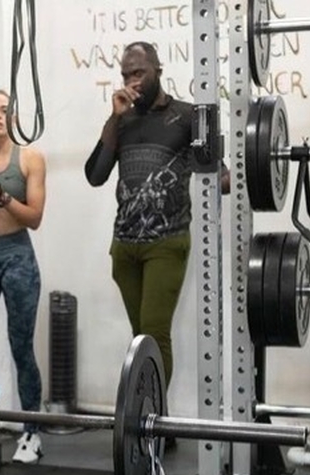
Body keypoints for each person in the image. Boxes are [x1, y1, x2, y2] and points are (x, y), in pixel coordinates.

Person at [84, 42, 230, 441]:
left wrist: (201, 172)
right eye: (126, 73)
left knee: (154, 332)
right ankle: (154, 421)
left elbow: (224, 176)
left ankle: (153, 424)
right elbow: (95, 175)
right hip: (125, 246)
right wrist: (113, 119)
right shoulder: (123, 121)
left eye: (139, 73)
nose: (132, 80)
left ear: (158, 69)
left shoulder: (184, 116)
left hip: (167, 243)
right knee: (140, 339)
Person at [0, 90, 47, 464]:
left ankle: (31, 433)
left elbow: (35, 217)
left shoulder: (30, 158)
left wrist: (1, 196)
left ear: (15, 116)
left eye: (4, 111)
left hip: (18, 256)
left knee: (21, 347)